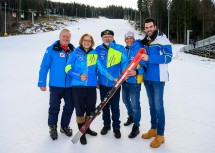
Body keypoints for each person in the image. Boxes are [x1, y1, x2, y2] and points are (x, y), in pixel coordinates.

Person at [65, 33, 116, 145]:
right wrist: (78, 75)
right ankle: (81, 133)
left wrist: (113, 78)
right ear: (81, 41)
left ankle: (86, 128)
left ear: (91, 42)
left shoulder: (94, 54)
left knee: (90, 110)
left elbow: (102, 70)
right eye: (85, 40)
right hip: (77, 86)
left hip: (91, 86)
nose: (87, 42)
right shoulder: (75, 53)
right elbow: (67, 67)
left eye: (89, 40)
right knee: (80, 110)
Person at [140, 18, 172, 148]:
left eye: (150, 27)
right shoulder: (146, 40)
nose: (148, 29)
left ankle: (161, 135)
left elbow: (168, 57)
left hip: (158, 78)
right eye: (146, 27)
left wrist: (149, 58)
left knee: (159, 106)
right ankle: (153, 129)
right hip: (147, 78)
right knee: (152, 105)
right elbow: (141, 57)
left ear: (155, 26)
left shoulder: (162, 39)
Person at [38, 29, 75, 140]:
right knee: (54, 107)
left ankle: (64, 126)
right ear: (59, 37)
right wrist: (42, 82)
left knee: (69, 106)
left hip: (70, 85)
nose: (66, 38)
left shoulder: (73, 50)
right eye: (64, 36)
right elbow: (44, 67)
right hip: (55, 85)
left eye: (68, 37)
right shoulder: (51, 50)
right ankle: (53, 127)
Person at [96, 29, 128, 139]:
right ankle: (106, 125)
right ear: (102, 38)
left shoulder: (119, 48)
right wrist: (101, 79)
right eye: (105, 37)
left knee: (115, 106)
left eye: (109, 36)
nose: (107, 38)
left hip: (116, 84)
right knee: (104, 106)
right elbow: (99, 67)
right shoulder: (98, 49)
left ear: (113, 37)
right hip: (103, 83)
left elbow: (124, 63)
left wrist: (122, 76)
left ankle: (116, 127)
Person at [122, 31, 147, 138]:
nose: (129, 40)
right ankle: (131, 116)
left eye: (131, 38)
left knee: (135, 104)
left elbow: (145, 66)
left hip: (135, 82)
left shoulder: (139, 49)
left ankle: (136, 126)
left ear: (134, 38)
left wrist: (136, 72)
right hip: (125, 81)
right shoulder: (125, 49)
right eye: (127, 38)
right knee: (125, 100)